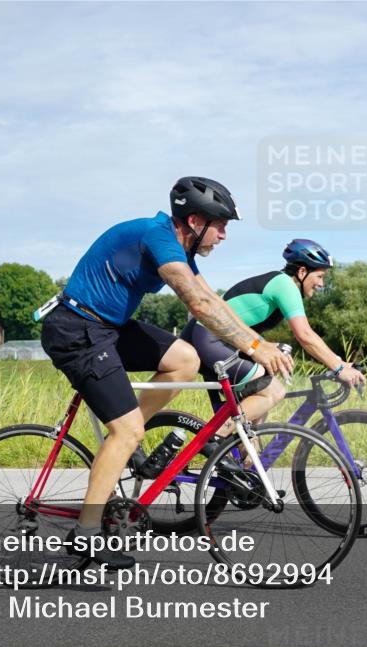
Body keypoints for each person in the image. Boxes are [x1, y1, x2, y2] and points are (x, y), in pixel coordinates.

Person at [39, 176, 293, 568]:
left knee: (186, 359)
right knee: (126, 430)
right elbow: (198, 306)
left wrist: (261, 344)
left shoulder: (179, 248)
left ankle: (124, 441)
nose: (224, 235)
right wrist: (256, 348)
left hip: (108, 327)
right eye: (221, 225)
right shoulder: (159, 237)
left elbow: (212, 299)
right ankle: (87, 532)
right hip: (77, 328)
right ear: (195, 221)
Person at [181, 239, 366, 440]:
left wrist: (340, 362)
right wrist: (338, 368)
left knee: (257, 416)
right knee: (273, 392)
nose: (322, 284)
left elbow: (244, 322)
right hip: (209, 338)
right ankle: (210, 440)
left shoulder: (279, 283)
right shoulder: (285, 284)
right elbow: (305, 335)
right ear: (302, 272)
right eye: (320, 276)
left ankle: (243, 466)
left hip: (218, 339)